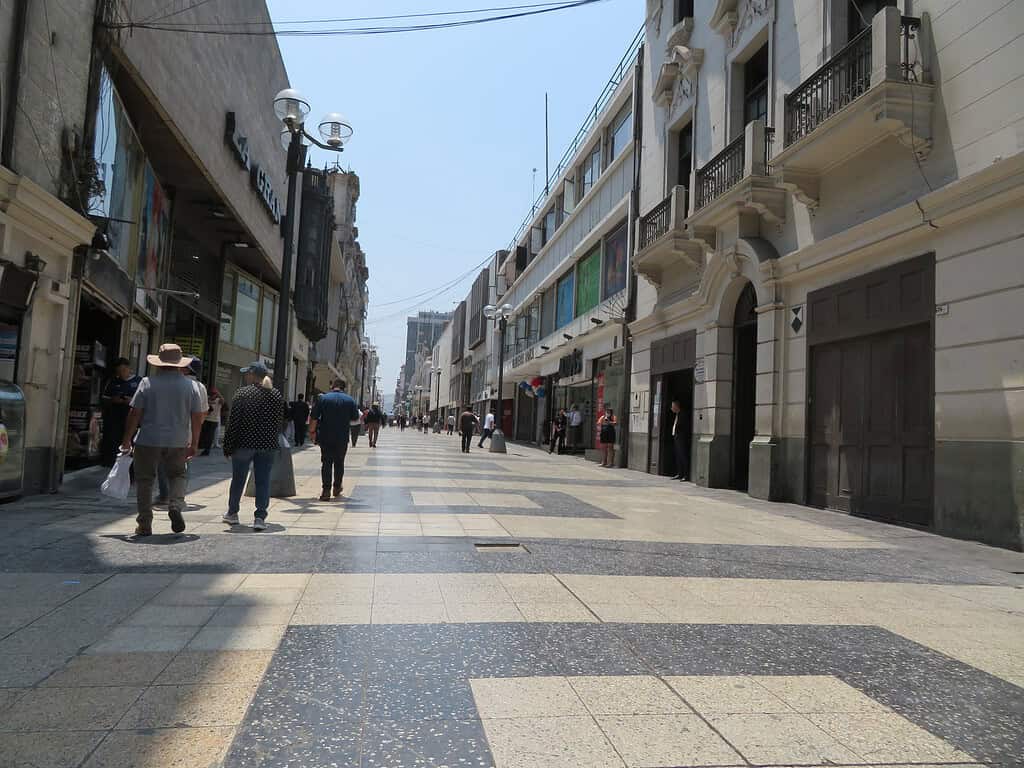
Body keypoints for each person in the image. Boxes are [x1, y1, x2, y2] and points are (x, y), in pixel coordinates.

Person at [120, 344, 205, 537]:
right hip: (177, 440)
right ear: (179, 364)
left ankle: (145, 524)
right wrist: (195, 443)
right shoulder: (191, 386)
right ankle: (175, 505)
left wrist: (127, 440)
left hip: (148, 439)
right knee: (178, 475)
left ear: (159, 363)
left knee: (145, 480)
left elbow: (134, 414)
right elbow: (197, 417)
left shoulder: (147, 383)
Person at [221, 362, 285, 531]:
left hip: (244, 444)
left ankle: (232, 513)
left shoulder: (242, 393)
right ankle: (260, 517)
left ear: (251, 374)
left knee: (238, 479)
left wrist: (227, 446)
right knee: (263, 481)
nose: (245, 376)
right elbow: (278, 422)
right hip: (267, 445)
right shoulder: (275, 395)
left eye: (246, 373)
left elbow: (233, 423)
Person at [155, 358, 208, 505]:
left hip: (165, 429)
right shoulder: (200, 387)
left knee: (162, 462)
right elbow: (203, 413)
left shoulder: (173, 384)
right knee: (183, 465)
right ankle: (178, 496)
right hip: (188, 432)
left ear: (186, 369)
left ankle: (165, 494)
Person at [310, 379, 359, 500]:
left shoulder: (323, 399)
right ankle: (337, 487)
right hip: (342, 437)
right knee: (339, 462)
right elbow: (355, 419)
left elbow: (314, 417)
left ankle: (326, 491)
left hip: (325, 436)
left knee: (326, 462)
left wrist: (312, 432)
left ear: (333, 386)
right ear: (344, 388)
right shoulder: (350, 400)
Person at [101, 358, 141, 467]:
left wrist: (131, 401)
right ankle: (112, 463)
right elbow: (104, 398)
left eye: (123, 370)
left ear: (129, 369)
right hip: (115, 417)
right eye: (119, 371)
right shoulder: (113, 381)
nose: (121, 374)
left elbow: (145, 401)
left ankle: (131, 465)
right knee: (114, 440)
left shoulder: (139, 381)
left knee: (131, 440)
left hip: (132, 417)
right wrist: (113, 400)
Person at [200, 386, 223, 456]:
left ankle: (207, 450)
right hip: (206, 420)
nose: (213, 395)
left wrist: (218, 393)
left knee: (209, 436)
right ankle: (203, 448)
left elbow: (222, 399)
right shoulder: (207, 400)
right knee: (205, 435)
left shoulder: (219, 400)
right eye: (212, 393)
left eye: (214, 393)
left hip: (213, 421)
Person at [670, 399, 690, 481]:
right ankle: (679, 473)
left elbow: (683, 427)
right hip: (676, 438)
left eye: (673, 406)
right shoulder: (676, 415)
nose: (671, 408)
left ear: (676, 406)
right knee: (678, 456)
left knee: (683, 457)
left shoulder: (683, 414)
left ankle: (685, 475)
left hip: (681, 438)